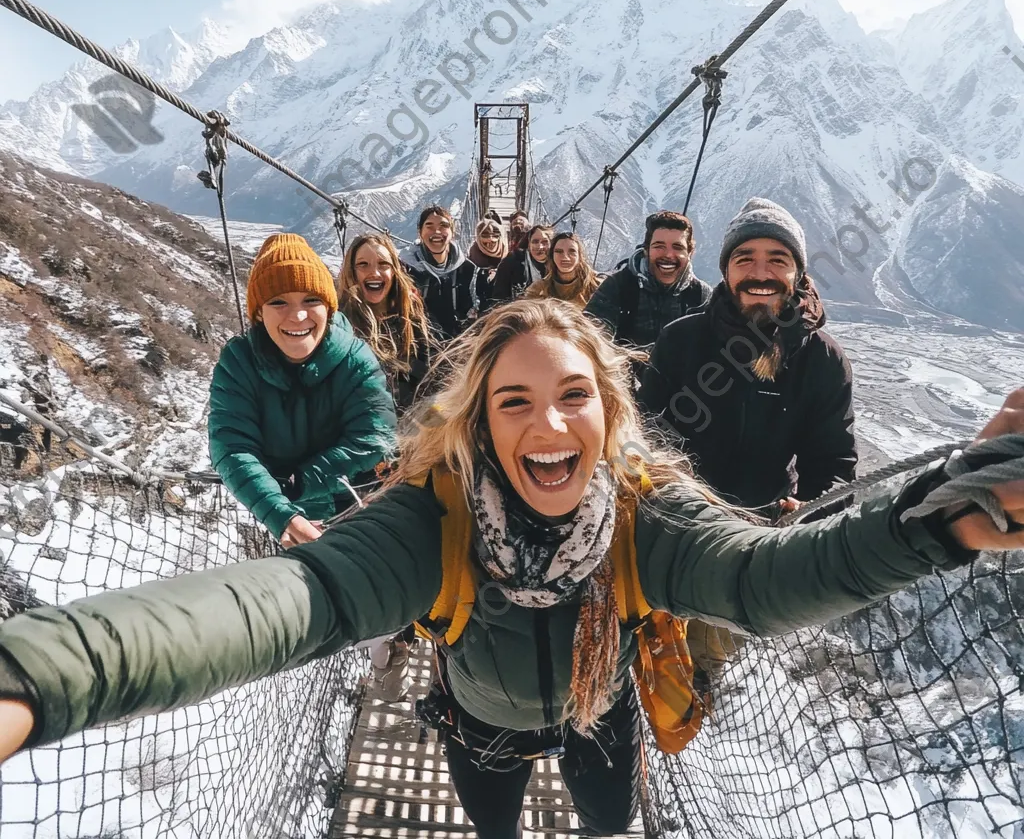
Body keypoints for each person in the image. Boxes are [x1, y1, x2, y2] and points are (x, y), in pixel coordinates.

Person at [2, 300, 1022, 839]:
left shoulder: (637, 512)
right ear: (479, 424)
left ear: (609, 416)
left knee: (610, 820)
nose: (548, 424)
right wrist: (44, 674)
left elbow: (757, 579)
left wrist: (940, 522)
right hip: (480, 724)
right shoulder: (430, 518)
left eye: (574, 395)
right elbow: (294, 601)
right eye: (516, 401)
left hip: (597, 707)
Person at [638, 198, 856, 516]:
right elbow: (647, 434)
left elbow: (834, 465)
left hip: (769, 531)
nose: (761, 273)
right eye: (744, 259)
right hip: (678, 519)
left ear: (799, 273)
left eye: (778, 260)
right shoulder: (680, 341)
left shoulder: (823, 360)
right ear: (726, 270)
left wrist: (811, 511)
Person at [207, 233, 398, 550]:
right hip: (282, 526)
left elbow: (376, 436)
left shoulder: (355, 358)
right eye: (278, 301)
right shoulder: (238, 363)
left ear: (329, 308)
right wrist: (279, 511)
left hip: (357, 511)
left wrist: (301, 481)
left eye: (311, 300)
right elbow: (231, 445)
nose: (297, 316)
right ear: (258, 313)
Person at [585, 210, 711, 351]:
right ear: (646, 251)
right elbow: (589, 340)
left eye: (677, 247)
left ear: (690, 253)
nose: (668, 255)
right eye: (659, 246)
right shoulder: (618, 287)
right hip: (623, 371)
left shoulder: (702, 296)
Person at [338, 233, 434, 416]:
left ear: (394, 271)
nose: (374, 273)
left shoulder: (410, 315)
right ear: (352, 272)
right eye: (363, 265)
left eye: (383, 265)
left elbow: (424, 377)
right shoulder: (341, 323)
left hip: (408, 423)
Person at [402, 206, 487, 340]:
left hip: (458, 345)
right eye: (429, 226)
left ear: (452, 232)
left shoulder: (467, 270)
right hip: (418, 345)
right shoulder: (406, 269)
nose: (436, 231)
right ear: (420, 232)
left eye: (443, 226)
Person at [524, 231, 600, 308]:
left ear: (580, 256)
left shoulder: (597, 286)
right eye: (559, 251)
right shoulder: (538, 289)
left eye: (572, 251)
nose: (565, 257)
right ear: (552, 256)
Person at [491, 224, 552, 303]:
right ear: (529, 244)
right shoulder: (512, 261)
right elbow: (499, 297)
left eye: (544, 242)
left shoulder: (557, 263)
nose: (540, 247)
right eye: (535, 242)